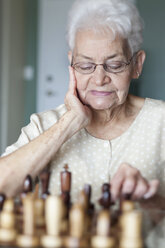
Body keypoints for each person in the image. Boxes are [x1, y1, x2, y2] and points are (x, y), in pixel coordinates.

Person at [0, 0, 164, 209]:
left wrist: (151, 200)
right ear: (72, 63)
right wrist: (71, 122)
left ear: (137, 65)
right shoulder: (46, 124)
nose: (98, 78)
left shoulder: (161, 121)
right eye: (85, 65)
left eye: (114, 65)